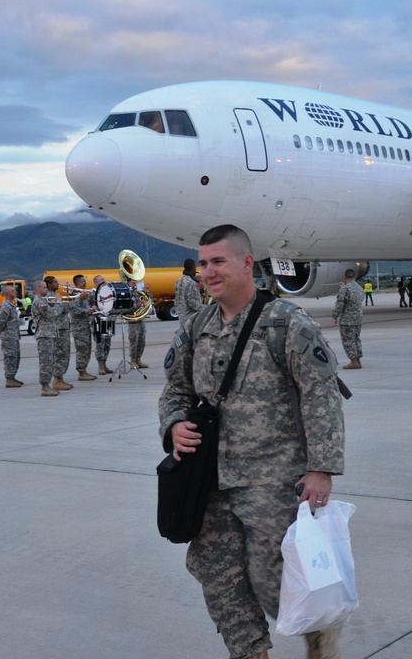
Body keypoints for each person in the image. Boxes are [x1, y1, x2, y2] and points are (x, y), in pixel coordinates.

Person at [159, 224, 345, 659]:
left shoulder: (284, 322)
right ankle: (251, 653)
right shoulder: (195, 326)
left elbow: (321, 394)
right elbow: (174, 390)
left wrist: (321, 468)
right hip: (209, 481)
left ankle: (320, 638)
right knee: (217, 577)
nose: (208, 271)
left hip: (272, 478)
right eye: (203, 263)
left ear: (246, 263)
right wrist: (173, 424)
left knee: (272, 579)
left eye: (218, 261)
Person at [44, 276, 74, 392]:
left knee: (64, 353)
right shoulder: (50, 296)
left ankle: (60, 378)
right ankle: (57, 380)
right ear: (50, 285)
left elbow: (65, 307)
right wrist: (75, 299)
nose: (58, 284)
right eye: (55, 282)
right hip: (59, 328)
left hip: (63, 327)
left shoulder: (55, 296)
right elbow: (60, 309)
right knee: (61, 353)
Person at [32, 279, 61, 396]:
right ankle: (44, 386)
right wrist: (58, 303)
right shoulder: (39, 302)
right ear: (38, 289)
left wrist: (53, 302)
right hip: (45, 335)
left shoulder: (43, 301)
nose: (46, 289)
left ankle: (47, 385)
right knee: (46, 361)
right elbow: (51, 314)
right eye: (44, 288)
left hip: (49, 334)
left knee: (50, 361)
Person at [333, 269, 365, 370]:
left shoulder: (345, 289)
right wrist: (344, 288)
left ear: (345, 278)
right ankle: (358, 360)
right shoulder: (359, 288)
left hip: (347, 320)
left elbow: (340, 304)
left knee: (348, 340)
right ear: (354, 277)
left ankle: (353, 361)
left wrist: (335, 315)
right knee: (356, 339)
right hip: (358, 319)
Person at [69, 274, 97, 381]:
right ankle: (81, 371)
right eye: (81, 281)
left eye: (84, 281)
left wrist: (92, 307)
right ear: (76, 283)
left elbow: (87, 306)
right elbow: (73, 309)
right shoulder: (74, 294)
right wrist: (86, 311)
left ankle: (84, 369)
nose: (83, 283)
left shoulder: (84, 294)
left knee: (87, 348)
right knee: (82, 349)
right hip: (78, 327)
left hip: (85, 325)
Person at [0, 284, 24, 388]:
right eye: (13, 290)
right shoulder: (6, 306)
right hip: (8, 336)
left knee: (15, 357)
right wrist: (3, 330)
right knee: (10, 357)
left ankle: (12, 377)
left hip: (13, 336)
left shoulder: (11, 305)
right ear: (8, 293)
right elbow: (1, 321)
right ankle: (9, 379)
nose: (15, 292)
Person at [92, 274, 115, 375]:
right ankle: (100, 365)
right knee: (100, 343)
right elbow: (89, 306)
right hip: (98, 319)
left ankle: (105, 364)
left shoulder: (108, 292)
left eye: (104, 279)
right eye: (101, 279)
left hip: (108, 319)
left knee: (107, 343)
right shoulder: (92, 293)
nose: (104, 281)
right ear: (96, 282)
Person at [127, 278, 150, 369]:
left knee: (142, 340)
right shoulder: (128, 293)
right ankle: (132, 360)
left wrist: (146, 292)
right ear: (129, 283)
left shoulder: (140, 292)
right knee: (134, 340)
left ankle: (138, 359)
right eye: (133, 282)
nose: (135, 284)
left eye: (136, 282)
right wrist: (137, 305)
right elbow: (126, 307)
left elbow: (150, 299)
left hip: (141, 319)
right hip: (133, 320)